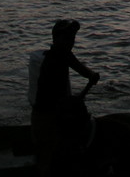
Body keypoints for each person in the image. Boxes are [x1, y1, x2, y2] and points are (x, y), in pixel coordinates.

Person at [29, 19, 100, 174]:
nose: (71, 42)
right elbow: (54, 99)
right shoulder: (51, 62)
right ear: (56, 39)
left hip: (58, 112)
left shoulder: (65, 54)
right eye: (67, 38)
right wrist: (74, 103)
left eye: (72, 38)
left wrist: (92, 75)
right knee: (47, 160)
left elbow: (81, 69)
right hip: (46, 117)